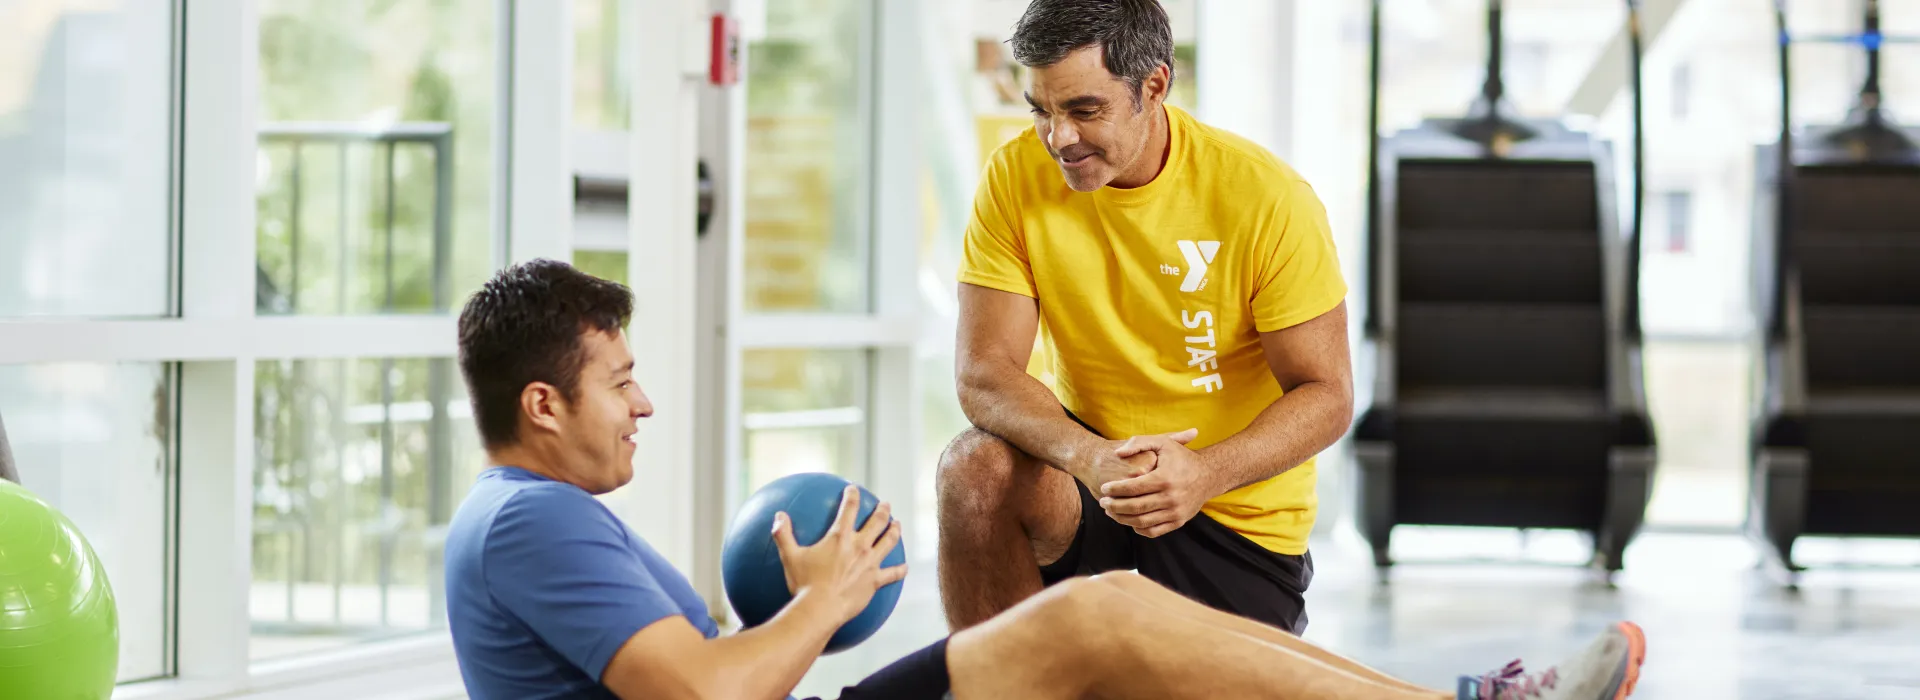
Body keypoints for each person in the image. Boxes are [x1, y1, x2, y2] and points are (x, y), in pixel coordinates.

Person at [442, 260, 1647, 700]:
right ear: (542, 403)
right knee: (1100, 617)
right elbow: (702, 694)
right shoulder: (529, 526)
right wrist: (824, 594)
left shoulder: (529, 519)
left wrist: (792, 614)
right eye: (621, 381)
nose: (643, 402)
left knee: (1113, 619)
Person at [940, 0, 1350, 635]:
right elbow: (984, 373)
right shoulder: (1014, 175)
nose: (1059, 138)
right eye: (1042, 110)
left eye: (1084, 110)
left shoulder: (1266, 197)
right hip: (1090, 475)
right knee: (975, 468)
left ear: (1154, 85)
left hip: (1228, 502)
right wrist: (1090, 455)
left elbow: (1327, 394)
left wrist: (1205, 472)